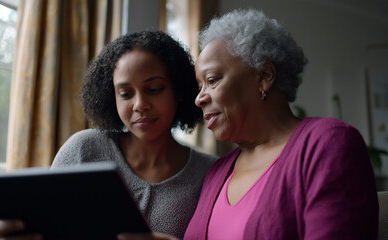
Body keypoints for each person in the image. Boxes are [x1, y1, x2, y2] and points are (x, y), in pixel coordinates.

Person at [118, 9, 379, 240]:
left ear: (264, 76)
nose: (199, 99)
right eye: (199, 87)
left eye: (212, 80)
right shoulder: (217, 172)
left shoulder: (327, 144)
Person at [0, 30, 216, 240]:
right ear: (113, 98)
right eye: (125, 93)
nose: (140, 105)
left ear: (179, 91)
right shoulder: (83, 149)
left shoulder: (209, 174)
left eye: (154, 89)